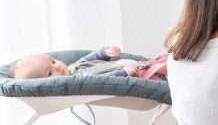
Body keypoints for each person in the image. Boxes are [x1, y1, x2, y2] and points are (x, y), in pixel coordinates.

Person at [11, 46, 168, 81]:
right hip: (135, 75)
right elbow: (103, 81)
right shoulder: (76, 80)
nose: (57, 66)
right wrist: (124, 73)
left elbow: (88, 58)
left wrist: (105, 52)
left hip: (135, 65)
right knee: (166, 68)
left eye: (52, 61)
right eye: (50, 72)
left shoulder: (74, 68)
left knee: (164, 59)